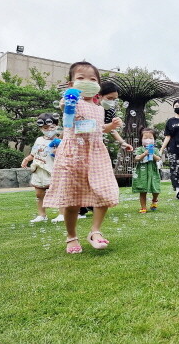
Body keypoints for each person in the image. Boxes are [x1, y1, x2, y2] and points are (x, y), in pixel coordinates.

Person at [43, 61, 122, 254]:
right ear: (71, 84)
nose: (87, 81)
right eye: (81, 78)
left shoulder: (99, 108)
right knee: (72, 200)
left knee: (105, 192)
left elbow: (94, 126)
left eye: (92, 79)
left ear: (98, 85)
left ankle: (95, 231)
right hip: (74, 154)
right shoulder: (71, 101)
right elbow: (66, 110)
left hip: (96, 153)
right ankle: (71, 237)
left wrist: (109, 128)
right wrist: (68, 100)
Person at [77, 81, 134, 218]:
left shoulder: (109, 110)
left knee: (97, 176)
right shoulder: (84, 105)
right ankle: (81, 206)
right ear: (98, 95)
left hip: (96, 146)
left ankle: (91, 203)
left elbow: (109, 129)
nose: (112, 102)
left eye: (115, 99)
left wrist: (122, 142)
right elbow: (79, 126)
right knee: (81, 177)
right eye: (109, 98)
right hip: (80, 145)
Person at [21, 113, 64, 223]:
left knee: (58, 193)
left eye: (51, 127)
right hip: (38, 169)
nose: (48, 130)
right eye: (45, 128)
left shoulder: (60, 141)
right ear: (41, 128)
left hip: (53, 170)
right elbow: (34, 153)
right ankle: (42, 215)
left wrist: (58, 151)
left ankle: (62, 214)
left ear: (56, 127)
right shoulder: (39, 140)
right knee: (39, 194)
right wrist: (27, 159)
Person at [132, 128, 162, 213]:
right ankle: (143, 207)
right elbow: (136, 159)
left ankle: (154, 200)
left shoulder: (155, 149)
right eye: (145, 138)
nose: (148, 140)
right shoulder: (139, 149)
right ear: (141, 140)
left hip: (152, 171)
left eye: (151, 138)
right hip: (142, 173)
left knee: (155, 188)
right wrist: (144, 154)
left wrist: (152, 154)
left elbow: (158, 159)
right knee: (142, 190)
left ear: (154, 140)